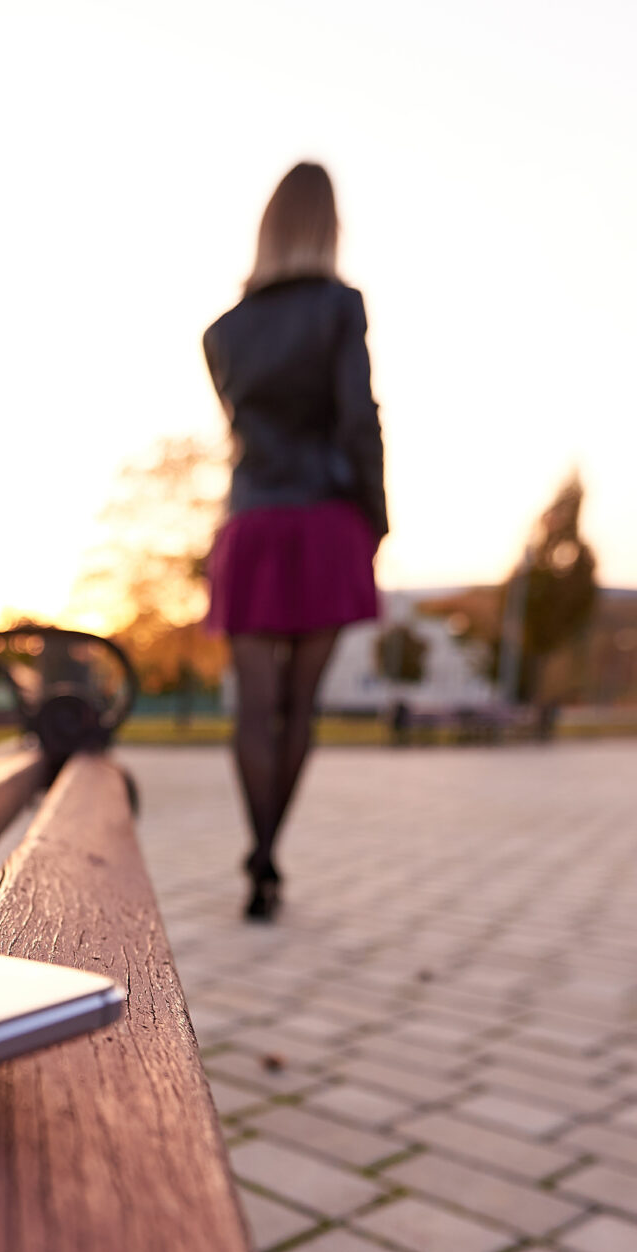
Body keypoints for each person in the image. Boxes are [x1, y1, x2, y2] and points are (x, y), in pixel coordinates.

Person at [201, 161, 387, 921]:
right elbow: (358, 419)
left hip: (251, 525)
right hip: (323, 522)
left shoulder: (222, 334)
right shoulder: (339, 308)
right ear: (327, 227)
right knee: (298, 711)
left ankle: (259, 853)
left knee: (254, 709)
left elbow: (242, 435)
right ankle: (268, 854)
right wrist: (376, 518)